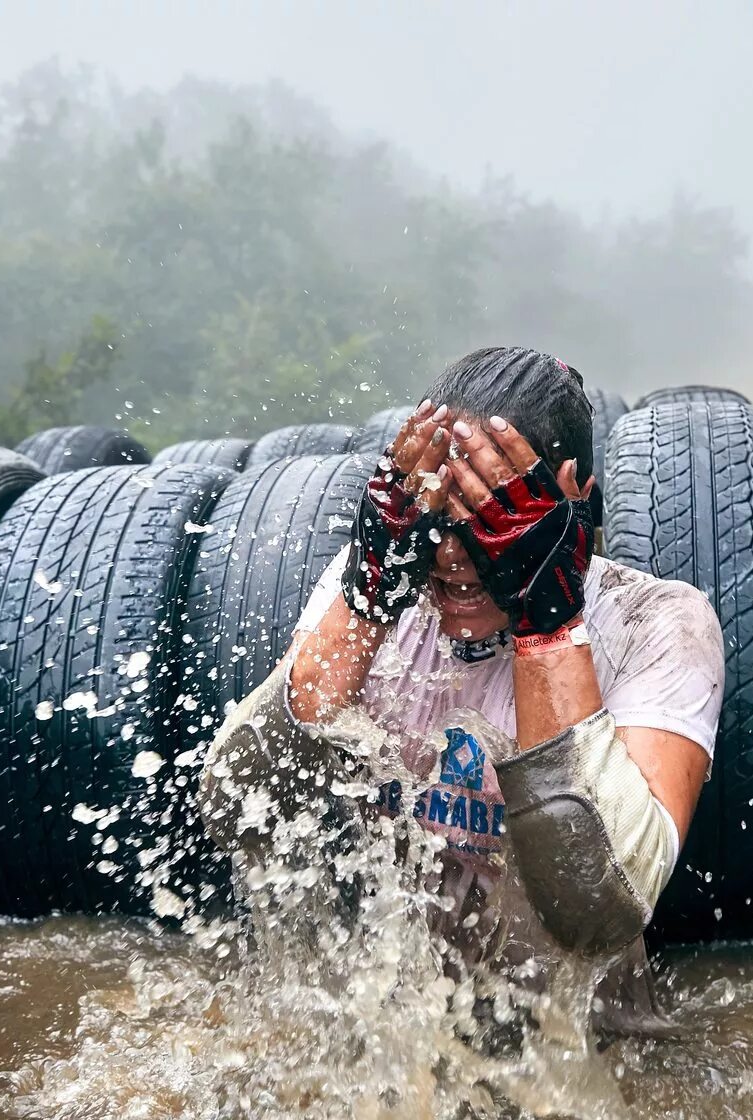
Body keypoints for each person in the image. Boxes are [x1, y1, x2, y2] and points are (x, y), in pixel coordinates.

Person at [197, 346, 724, 1033]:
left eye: (490, 510)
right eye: (440, 508)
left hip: (580, 1050)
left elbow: (597, 911)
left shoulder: (659, 624)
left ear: (575, 499)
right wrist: (369, 589)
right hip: (402, 1029)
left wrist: (547, 621)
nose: (449, 555)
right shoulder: (380, 591)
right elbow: (238, 804)